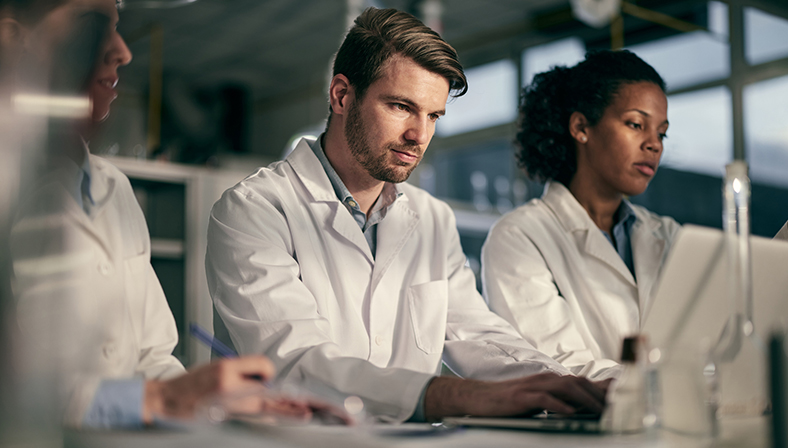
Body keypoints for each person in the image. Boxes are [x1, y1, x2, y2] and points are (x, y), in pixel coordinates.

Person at [206, 7, 609, 424]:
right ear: (342, 95)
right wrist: (455, 396)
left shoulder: (433, 219)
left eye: (433, 115)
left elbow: (478, 335)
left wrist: (572, 386)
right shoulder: (253, 209)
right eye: (401, 106)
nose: (420, 135)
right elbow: (297, 362)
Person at [4, 0, 302, 429]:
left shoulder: (115, 188)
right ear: (11, 39)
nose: (122, 51)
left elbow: (154, 355)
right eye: (94, 25)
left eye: (118, 27)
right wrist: (155, 399)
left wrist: (206, 400)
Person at [481, 50, 788, 380]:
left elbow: (741, 308)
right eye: (636, 124)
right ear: (580, 127)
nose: (654, 145)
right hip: (584, 428)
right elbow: (560, 368)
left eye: (661, 133)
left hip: (673, 422)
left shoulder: (666, 234)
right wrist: (673, 387)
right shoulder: (520, 236)